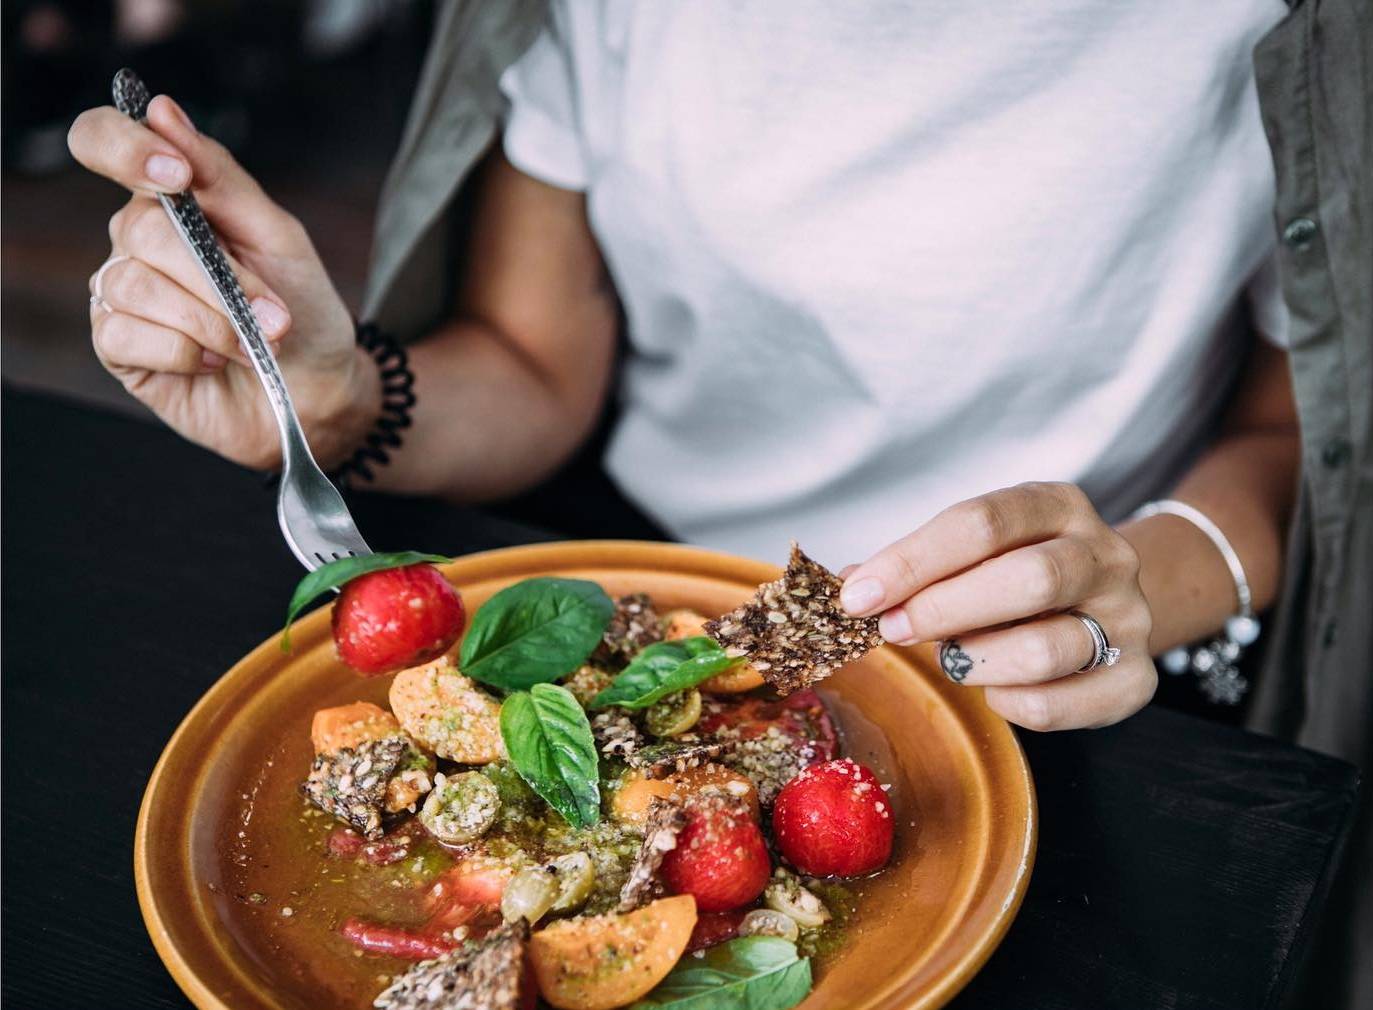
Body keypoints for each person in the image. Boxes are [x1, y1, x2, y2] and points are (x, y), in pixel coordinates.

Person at [66, 4, 1371, 1000]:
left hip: (1071, 687)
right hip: (625, 590)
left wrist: (1140, 578)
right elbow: (538, 360)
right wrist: (336, 398)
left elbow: (1288, 442)